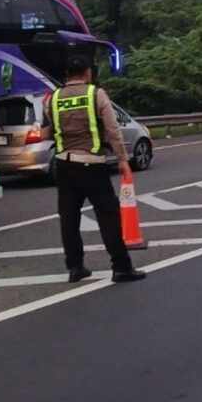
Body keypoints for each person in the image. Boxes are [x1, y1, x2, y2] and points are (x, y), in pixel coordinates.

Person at [43, 50, 146, 283]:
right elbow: (112, 129)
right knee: (108, 216)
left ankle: (75, 266)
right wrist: (122, 159)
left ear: (67, 74)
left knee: (69, 218)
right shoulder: (96, 94)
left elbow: (47, 132)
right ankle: (121, 267)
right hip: (92, 164)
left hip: (63, 164)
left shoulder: (53, 99)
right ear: (88, 72)